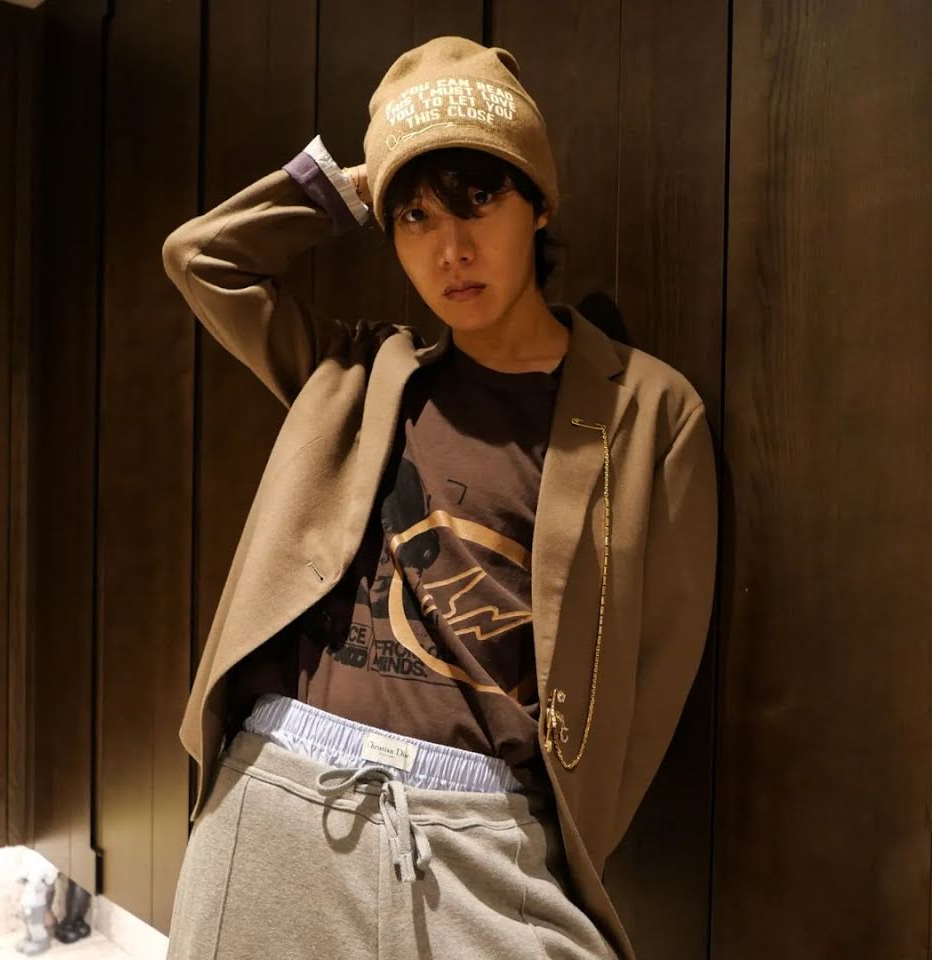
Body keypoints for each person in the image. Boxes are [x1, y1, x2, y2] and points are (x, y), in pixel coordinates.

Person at [161, 36, 717, 960]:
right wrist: (363, 178)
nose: (450, 250)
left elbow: (653, 677)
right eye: (415, 217)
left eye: (478, 200)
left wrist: (554, 831)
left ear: (540, 203)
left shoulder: (649, 412)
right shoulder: (357, 373)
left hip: (483, 838)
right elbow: (200, 259)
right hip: (281, 796)